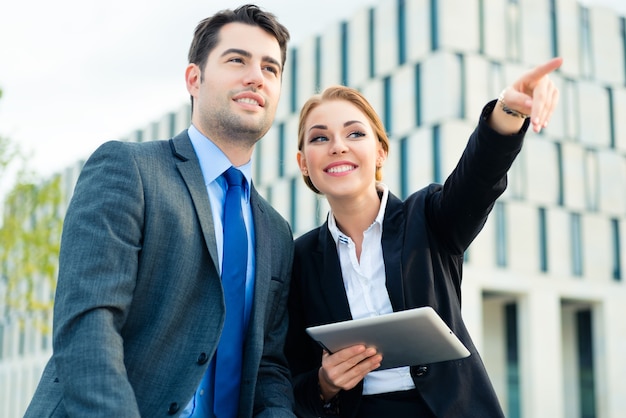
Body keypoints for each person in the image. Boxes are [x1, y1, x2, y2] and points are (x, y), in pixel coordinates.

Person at [24, 4, 296, 418]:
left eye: (270, 68)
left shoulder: (276, 231)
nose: (256, 76)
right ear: (194, 78)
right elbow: (88, 325)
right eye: (237, 59)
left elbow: (269, 366)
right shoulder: (127, 168)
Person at [285, 57, 563, 417]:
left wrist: (508, 110)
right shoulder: (299, 258)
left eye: (355, 133)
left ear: (380, 150)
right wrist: (325, 383)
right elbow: (289, 376)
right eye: (319, 138)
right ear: (303, 162)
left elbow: (478, 179)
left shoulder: (428, 218)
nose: (337, 146)